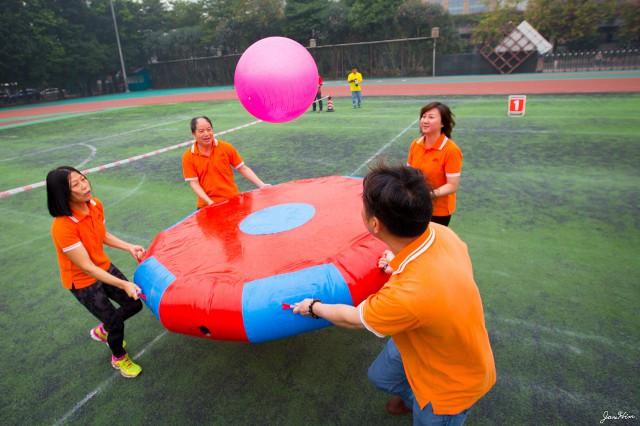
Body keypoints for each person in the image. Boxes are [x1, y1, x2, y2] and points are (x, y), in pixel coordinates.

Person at [293, 163, 495, 425]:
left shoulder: (405, 296)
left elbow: (354, 318)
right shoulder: (442, 234)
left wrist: (313, 307)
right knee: (382, 376)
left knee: (430, 419)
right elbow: (422, 275)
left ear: (375, 224)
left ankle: (421, 405)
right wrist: (395, 260)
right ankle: (412, 398)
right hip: (426, 339)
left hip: (449, 387)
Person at [46, 166, 145, 378]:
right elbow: (87, 267)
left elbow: (102, 234)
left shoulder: (94, 204)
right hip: (83, 281)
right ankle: (119, 358)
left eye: (84, 179)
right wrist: (124, 284)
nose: (85, 186)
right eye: (76, 185)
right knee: (115, 323)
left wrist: (128, 246)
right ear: (63, 193)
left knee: (134, 304)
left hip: (102, 267)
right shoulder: (62, 227)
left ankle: (103, 329)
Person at [182, 116, 269, 209]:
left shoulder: (226, 147)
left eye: (209, 129)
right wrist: (209, 202)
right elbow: (194, 183)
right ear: (193, 134)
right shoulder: (188, 156)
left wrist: (261, 185)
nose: (206, 134)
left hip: (232, 201)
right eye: (201, 131)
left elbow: (242, 168)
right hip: (206, 206)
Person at [407, 102, 462, 227]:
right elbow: (409, 173)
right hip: (416, 205)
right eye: (424, 116)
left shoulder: (451, 150)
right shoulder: (415, 144)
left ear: (443, 123)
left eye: (431, 117)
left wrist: (428, 195)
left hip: (439, 211)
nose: (425, 121)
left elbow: (452, 186)